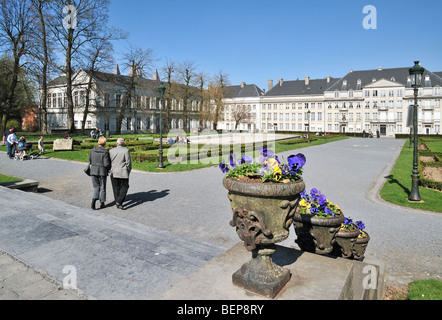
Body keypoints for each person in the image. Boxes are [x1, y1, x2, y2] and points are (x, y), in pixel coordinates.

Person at [88, 136, 111, 210]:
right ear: (105, 143)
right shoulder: (105, 152)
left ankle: (93, 202)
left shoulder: (92, 150)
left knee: (96, 187)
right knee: (102, 187)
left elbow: (90, 160)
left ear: (98, 142)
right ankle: (102, 203)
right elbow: (106, 164)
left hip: (93, 170)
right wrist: (109, 168)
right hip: (102, 171)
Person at [109, 138, 132, 210]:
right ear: (123, 144)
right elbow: (128, 163)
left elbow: (109, 162)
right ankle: (119, 201)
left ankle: (117, 201)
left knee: (115, 187)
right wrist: (128, 170)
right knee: (125, 186)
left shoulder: (111, 151)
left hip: (114, 171)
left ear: (116, 143)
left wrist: (110, 170)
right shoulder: (126, 150)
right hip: (123, 171)